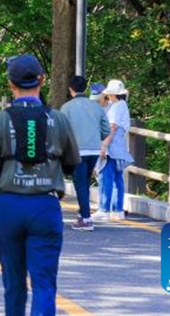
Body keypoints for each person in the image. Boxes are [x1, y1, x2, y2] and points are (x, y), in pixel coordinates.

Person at [0, 54, 80, 316]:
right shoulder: (58, 119)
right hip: (45, 205)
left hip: (9, 206)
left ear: (11, 84)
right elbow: (71, 165)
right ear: (41, 80)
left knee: (13, 283)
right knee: (44, 283)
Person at [60, 75, 110, 231]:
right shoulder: (96, 106)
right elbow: (106, 130)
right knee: (85, 182)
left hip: (77, 150)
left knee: (80, 184)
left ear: (71, 89)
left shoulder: (67, 107)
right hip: (94, 149)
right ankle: (83, 214)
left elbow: (62, 130)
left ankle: (86, 219)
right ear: (85, 88)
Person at [94, 79, 133, 222]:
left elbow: (112, 127)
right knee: (117, 178)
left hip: (111, 147)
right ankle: (117, 210)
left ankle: (104, 209)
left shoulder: (116, 107)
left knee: (106, 176)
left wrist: (104, 146)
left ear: (113, 94)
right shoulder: (122, 105)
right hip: (119, 147)